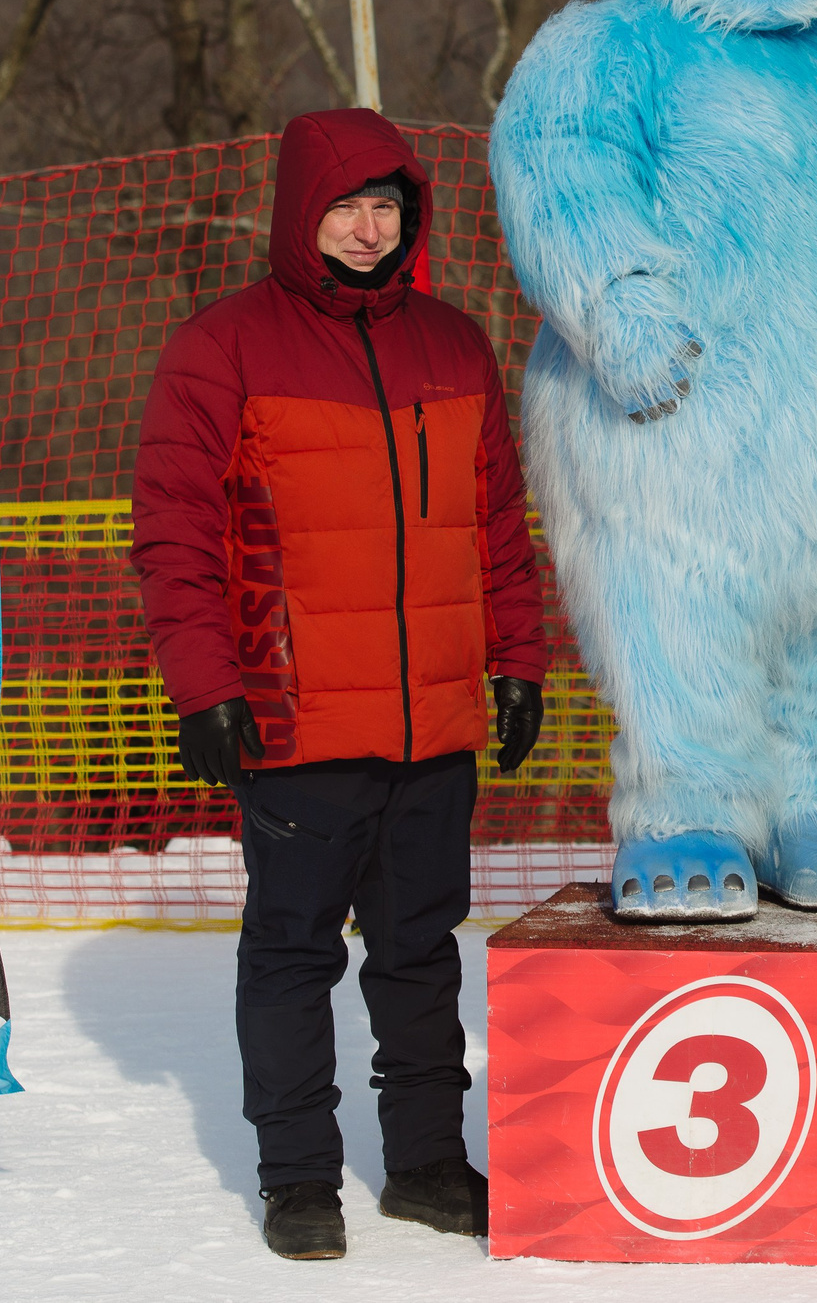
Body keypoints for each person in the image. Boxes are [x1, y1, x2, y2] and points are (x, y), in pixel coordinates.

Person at [130, 109, 548, 1260]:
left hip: (433, 720)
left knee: (419, 948)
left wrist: (517, 656)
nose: (367, 230)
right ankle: (299, 1174)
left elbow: (497, 527)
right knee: (294, 949)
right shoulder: (223, 346)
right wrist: (203, 681)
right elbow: (172, 527)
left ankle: (422, 1161)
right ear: (297, 212)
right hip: (294, 711)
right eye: (345, 207)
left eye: (386, 207)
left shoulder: (454, 344)